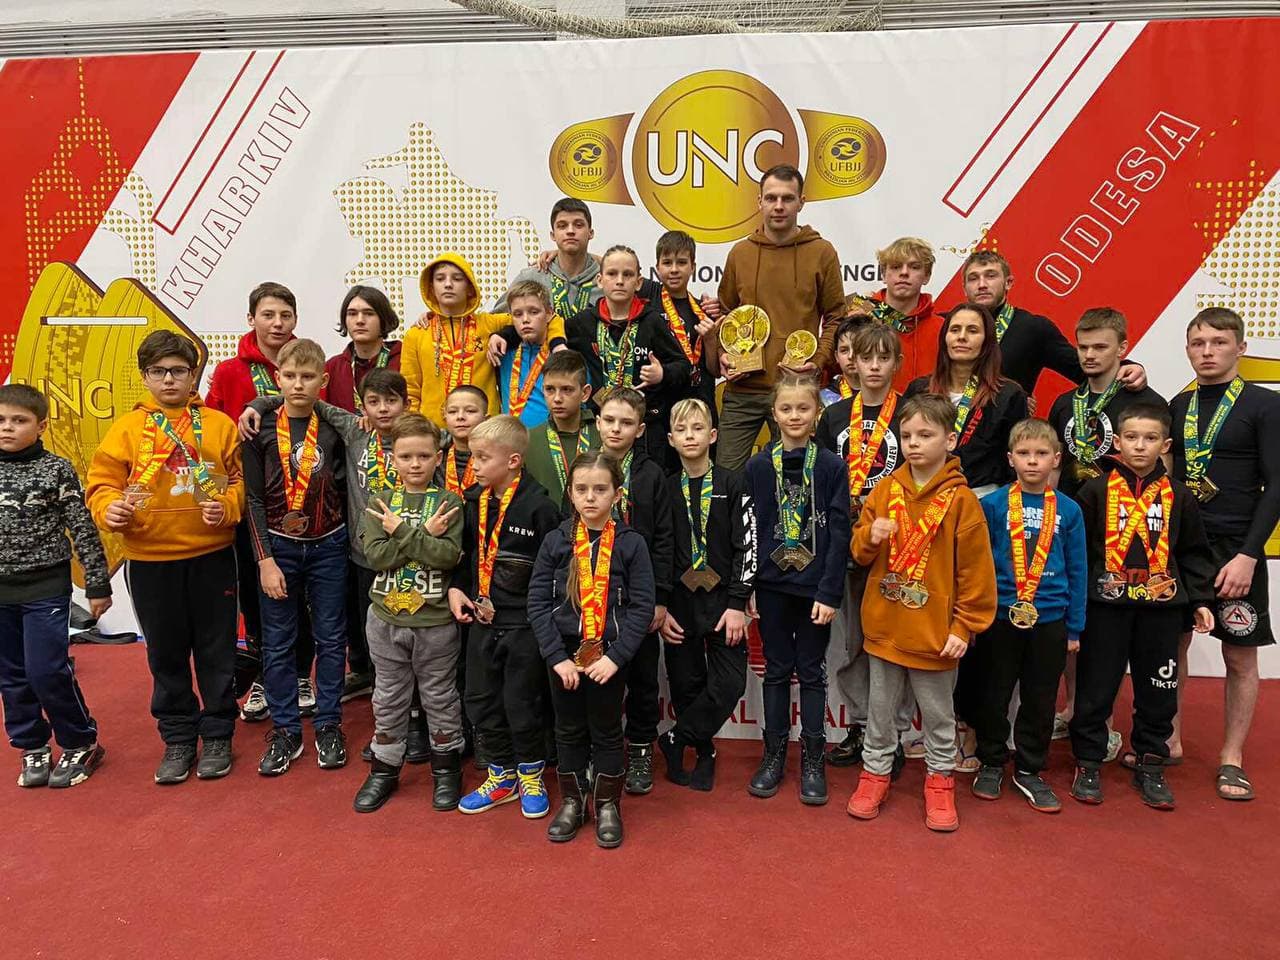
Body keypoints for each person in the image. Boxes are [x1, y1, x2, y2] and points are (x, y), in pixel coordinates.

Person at [87, 330, 244, 783]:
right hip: (150, 559)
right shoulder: (126, 429)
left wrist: (228, 506)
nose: (169, 379)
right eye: (159, 371)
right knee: (165, 653)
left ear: (194, 375)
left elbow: (240, 482)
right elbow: (102, 484)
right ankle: (178, 738)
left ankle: (218, 733)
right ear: (144, 377)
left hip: (212, 556)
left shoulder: (218, 424)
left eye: (178, 370)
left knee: (216, 650)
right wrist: (108, 509)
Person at [847, 394, 997, 832]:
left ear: (949, 440)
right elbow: (858, 552)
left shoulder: (961, 501)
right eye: (907, 435)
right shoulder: (885, 490)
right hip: (885, 627)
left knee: (938, 716)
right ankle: (874, 774)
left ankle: (940, 780)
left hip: (935, 635)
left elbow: (976, 573)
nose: (914, 443)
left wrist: (964, 626)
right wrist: (869, 537)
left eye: (925, 435)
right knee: (879, 713)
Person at [1068, 402, 1216, 810]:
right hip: (1106, 607)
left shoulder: (1179, 495)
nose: (1139, 446)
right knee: (1096, 687)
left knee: (1158, 690)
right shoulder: (1095, 491)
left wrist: (1201, 600)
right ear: (1116, 442)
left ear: (1165, 445)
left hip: (1161, 609)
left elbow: (1193, 551)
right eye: (1131, 437)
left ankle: (1151, 761)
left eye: (1150, 439)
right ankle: (1088, 761)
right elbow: (1079, 552)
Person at [240, 368, 412, 708]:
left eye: (391, 401)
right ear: (362, 406)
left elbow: (458, 434)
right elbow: (305, 399)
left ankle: (416, 710)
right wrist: (259, 404)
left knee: (412, 633)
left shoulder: (420, 435)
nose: (382, 409)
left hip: (410, 554)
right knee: (370, 634)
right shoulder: (354, 428)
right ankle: (384, 707)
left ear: (407, 404)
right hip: (364, 555)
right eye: (374, 402)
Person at [1168, 307, 1280, 801]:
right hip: (1184, 549)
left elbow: (1277, 486)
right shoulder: (1178, 404)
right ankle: (1168, 739)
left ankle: (1231, 757)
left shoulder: (1264, 405)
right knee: (1172, 647)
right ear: (1188, 350)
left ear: (1241, 348)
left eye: (1218, 342)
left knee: (1238, 655)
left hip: (1237, 550)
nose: (1207, 352)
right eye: (1198, 343)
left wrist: (1250, 555)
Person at [529, 451, 656, 847]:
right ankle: (573, 801)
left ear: (617, 494)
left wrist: (615, 658)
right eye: (581, 489)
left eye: (600, 489)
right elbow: (537, 603)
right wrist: (556, 658)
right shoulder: (556, 541)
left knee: (606, 730)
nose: (590, 497)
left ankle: (607, 805)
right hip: (564, 656)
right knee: (567, 729)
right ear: (570, 493)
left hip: (609, 656)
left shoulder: (632, 544)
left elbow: (642, 607)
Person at [242, 338, 350, 776]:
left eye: (308, 377)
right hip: (278, 548)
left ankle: (328, 724)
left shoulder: (335, 426)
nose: (298, 384)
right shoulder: (259, 427)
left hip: (330, 545)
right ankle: (286, 729)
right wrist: (264, 559)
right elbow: (251, 498)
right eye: (290, 376)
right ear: (277, 378)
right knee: (278, 641)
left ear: (323, 380)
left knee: (331, 639)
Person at [205, 281, 310, 724]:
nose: (277, 323)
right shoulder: (230, 371)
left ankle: (300, 674)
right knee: (256, 591)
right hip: (250, 500)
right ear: (251, 319)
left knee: (301, 593)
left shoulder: (307, 365)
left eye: (286, 315)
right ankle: (268, 674)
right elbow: (210, 431)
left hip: (304, 502)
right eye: (268, 315)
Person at [447, 416, 560, 817]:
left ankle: (530, 773)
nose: (474, 465)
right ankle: (501, 775)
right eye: (473, 457)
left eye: (482, 458)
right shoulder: (474, 501)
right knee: (481, 699)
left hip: (524, 625)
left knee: (522, 701)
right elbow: (465, 554)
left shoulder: (541, 507)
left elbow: (555, 569)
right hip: (482, 620)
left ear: (513, 460)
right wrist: (456, 587)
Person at [744, 373, 849, 806]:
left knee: (810, 670)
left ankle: (812, 758)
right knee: (775, 669)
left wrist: (829, 592)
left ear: (816, 413)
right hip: (771, 585)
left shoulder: (830, 467)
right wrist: (749, 585)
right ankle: (773, 755)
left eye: (802, 408)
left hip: (813, 589)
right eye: (786, 408)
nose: (794, 416)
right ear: (774, 413)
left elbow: (840, 533)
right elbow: (749, 529)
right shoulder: (757, 466)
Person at [972, 419, 1087, 812]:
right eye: (1024, 454)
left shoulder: (1069, 510)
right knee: (994, 692)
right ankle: (991, 761)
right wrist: (978, 615)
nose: (1033, 461)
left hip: (1050, 619)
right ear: (1010, 459)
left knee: (1040, 697)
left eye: (1041, 454)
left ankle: (1029, 767)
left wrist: (1075, 627)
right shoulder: (992, 505)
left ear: (1056, 458)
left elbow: (1078, 570)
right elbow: (979, 565)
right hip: (1001, 617)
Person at [0, 384, 112, 788]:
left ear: (42, 426)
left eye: (19, 420)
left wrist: (97, 583)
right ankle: (32, 745)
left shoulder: (56, 470)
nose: (7, 428)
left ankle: (80, 741)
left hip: (45, 587)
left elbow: (82, 528)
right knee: (11, 675)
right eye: (1, 420)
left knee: (45, 670)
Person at [353, 414, 466, 813]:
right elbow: (376, 558)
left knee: (440, 697)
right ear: (393, 459)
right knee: (387, 697)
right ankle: (384, 769)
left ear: (438, 457)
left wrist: (401, 532)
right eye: (406, 456)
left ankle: (446, 769)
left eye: (423, 456)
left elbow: (447, 556)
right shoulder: (379, 502)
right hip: (386, 619)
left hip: (434, 622)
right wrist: (422, 536)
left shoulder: (450, 503)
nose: (415, 464)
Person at [703, 164, 846, 471]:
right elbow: (727, 316)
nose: (779, 206)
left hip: (795, 390)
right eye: (771, 198)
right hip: (742, 390)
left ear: (801, 202)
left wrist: (818, 360)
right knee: (728, 477)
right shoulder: (740, 253)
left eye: (787, 198)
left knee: (794, 477)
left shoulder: (822, 252)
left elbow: (836, 316)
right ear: (759, 202)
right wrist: (725, 355)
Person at [816, 322, 913, 771]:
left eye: (883, 358)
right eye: (865, 357)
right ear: (851, 362)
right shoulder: (835, 416)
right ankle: (859, 725)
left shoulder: (909, 413)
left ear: (897, 363)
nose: (873, 366)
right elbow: (821, 480)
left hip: (898, 544)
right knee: (854, 639)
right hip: (847, 541)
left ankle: (891, 732)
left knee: (892, 640)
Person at [657, 399, 754, 791]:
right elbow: (660, 549)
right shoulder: (666, 487)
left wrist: (737, 603)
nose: (690, 436)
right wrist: (661, 605)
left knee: (730, 683)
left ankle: (676, 737)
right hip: (680, 603)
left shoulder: (733, 483)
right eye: (682, 430)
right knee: (686, 684)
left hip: (723, 601)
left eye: (698, 428)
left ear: (713, 435)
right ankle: (703, 751)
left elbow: (747, 545)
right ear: (670, 439)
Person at [595, 388, 674, 795]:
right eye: (609, 420)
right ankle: (602, 749)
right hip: (594, 593)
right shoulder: (587, 470)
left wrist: (659, 598)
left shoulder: (652, 474)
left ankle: (642, 746)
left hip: (638, 597)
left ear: (640, 430)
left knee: (643, 677)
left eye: (626, 423)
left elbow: (664, 538)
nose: (616, 429)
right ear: (597, 423)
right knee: (599, 677)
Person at [960, 250, 1147, 400]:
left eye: (990, 276)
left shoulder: (1033, 328)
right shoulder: (949, 327)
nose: (982, 284)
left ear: (1008, 283)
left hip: (1003, 434)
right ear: (965, 288)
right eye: (973, 278)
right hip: (946, 429)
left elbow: (1082, 368)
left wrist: (1128, 367)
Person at [403, 252, 565, 424]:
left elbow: (550, 318)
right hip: (433, 430)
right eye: (440, 279)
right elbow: (410, 390)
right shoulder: (417, 333)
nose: (448, 284)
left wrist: (557, 344)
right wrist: (414, 429)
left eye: (457, 279)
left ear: (469, 287)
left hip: (485, 429)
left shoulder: (489, 323)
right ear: (431, 287)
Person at [566, 245, 691, 465]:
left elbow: (683, 366)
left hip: (646, 431)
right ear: (599, 280)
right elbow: (545, 329)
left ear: (639, 282)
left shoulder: (652, 321)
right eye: (612, 274)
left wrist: (662, 373)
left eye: (627, 275)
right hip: (600, 427)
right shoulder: (581, 324)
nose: (620, 281)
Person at [905, 302, 1028, 498]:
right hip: (923, 496)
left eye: (972, 330)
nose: (961, 337)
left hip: (983, 501)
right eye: (955, 330)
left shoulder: (1008, 395)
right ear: (944, 338)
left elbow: (1016, 463)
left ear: (987, 340)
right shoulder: (919, 390)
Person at [1047, 307, 1165, 500]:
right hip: (1073, 511)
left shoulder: (1148, 403)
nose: (1089, 355)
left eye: (1100, 347)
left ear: (1122, 348)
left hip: (1127, 511)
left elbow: (1163, 467)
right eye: (1083, 347)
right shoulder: (1064, 403)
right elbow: (1054, 466)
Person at [638, 230, 719, 469]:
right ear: (657, 267)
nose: (674, 269)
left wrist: (711, 339)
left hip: (698, 403)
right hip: (661, 409)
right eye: (667, 263)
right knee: (663, 474)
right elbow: (616, 265)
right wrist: (559, 253)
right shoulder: (649, 297)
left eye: (682, 262)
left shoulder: (703, 311)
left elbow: (714, 370)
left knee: (700, 473)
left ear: (693, 267)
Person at [862, 237, 945, 392]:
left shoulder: (943, 329)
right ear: (883, 274)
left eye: (914, 267)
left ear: (927, 276)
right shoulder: (860, 319)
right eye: (896, 266)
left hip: (926, 407)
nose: (904, 273)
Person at [495, 197, 602, 317]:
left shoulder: (607, 279)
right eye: (562, 226)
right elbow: (496, 319)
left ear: (590, 233)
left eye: (578, 225)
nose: (570, 231)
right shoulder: (532, 277)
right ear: (553, 235)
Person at [524, 350, 599, 512]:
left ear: (585, 393)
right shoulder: (528, 440)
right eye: (550, 389)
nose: (557, 398)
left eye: (567, 389)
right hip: (545, 526)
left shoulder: (603, 435)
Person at [322, 285, 402, 414]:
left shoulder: (404, 360)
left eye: (369, 313)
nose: (360, 321)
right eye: (352, 314)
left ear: (383, 318)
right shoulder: (332, 368)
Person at [497, 280, 556, 428]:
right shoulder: (502, 353)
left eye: (534, 312)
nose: (525, 320)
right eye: (518, 314)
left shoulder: (560, 355)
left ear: (549, 313)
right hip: (510, 437)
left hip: (551, 439)